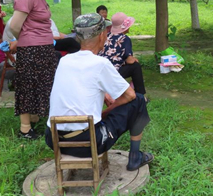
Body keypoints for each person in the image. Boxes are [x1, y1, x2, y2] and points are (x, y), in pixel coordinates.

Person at [45, 13, 154, 171]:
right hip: (87, 143)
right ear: (102, 35)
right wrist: (107, 112)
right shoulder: (100, 63)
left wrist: (104, 97)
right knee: (137, 100)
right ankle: (135, 157)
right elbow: (129, 96)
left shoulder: (64, 60)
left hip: (53, 139)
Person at [10, 0, 64, 140]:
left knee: (42, 84)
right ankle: (25, 129)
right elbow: (14, 25)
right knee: (28, 86)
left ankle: (34, 118)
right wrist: (24, 40)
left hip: (42, 48)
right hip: (32, 49)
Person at [99, 12, 147, 96]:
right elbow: (129, 60)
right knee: (135, 66)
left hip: (102, 71)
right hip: (113, 72)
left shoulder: (107, 36)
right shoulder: (125, 39)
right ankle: (141, 95)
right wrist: (133, 59)